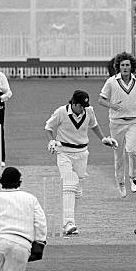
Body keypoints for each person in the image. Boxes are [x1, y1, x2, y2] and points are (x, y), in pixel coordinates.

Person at [44, 90, 117, 235]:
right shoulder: (61, 112)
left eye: (85, 106)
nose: (83, 108)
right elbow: (48, 128)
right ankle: (68, 223)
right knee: (70, 183)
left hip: (82, 153)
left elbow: (94, 125)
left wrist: (103, 139)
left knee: (77, 191)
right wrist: (51, 141)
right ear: (74, 103)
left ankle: (71, 220)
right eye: (81, 106)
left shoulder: (88, 111)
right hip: (64, 152)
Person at [98, 52, 136, 198]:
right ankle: (121, 183)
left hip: (134, 121)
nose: (125, 68)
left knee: (132, 151)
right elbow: (101, 100)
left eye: (127, 65)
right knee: (118, 155)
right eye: (122, 65)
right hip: (116, 123)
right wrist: (112, 105)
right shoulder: (112, 81)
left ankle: (134, 179)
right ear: (118, 67)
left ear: (132, 66)